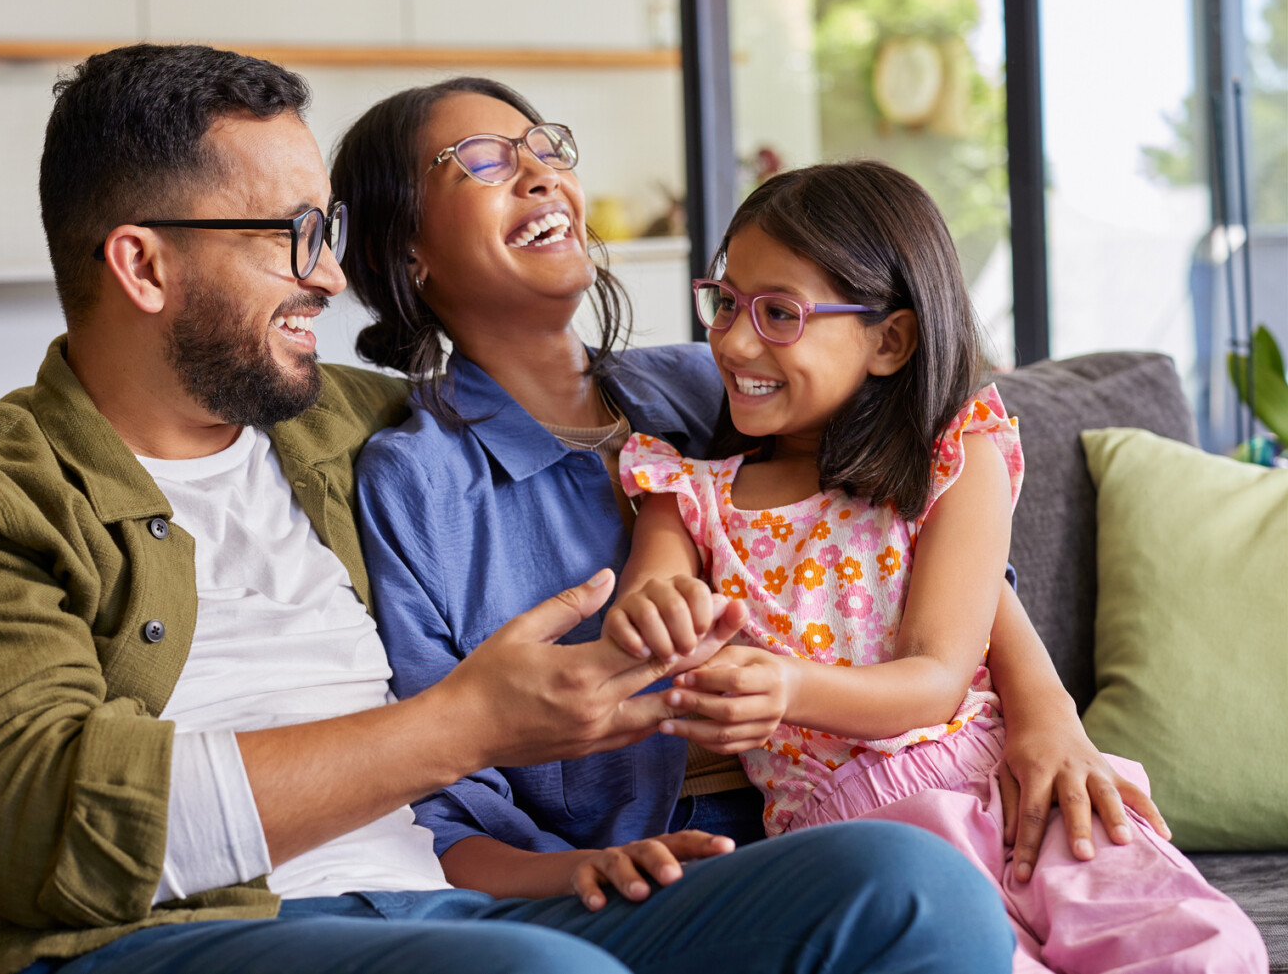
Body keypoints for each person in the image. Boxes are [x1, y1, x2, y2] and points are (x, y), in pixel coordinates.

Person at [0, 44, 1014, 974]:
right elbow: (43, 828)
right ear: (142, 264)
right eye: (291, 237)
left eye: (328, 232)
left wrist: (1041, 705)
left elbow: (895, 487)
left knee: (911, 887)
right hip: (165, 935)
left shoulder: (354, 424)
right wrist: (467, 723)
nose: (331, 275)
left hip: (459, 910)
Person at [336, 77, 1172, 912]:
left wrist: (1047, 710)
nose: (542, 173)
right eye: (482, 162)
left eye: (547, 147)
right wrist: (573, 872)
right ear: (406, 251)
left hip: (912, 779)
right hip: (678, 860)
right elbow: (433, 791)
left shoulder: (719, 379)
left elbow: (925, 536)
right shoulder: (419, 480)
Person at [610, 160, 1266, 971]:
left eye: (780, 313)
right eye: (726, 302)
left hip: (1008, 786)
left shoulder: (954, 461)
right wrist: (653, 616)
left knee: (1199, 947)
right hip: (853, 844)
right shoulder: (689, 493)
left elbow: (937, 676)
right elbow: (650, 597)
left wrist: (788, 687)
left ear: (890, 339)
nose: (736, 340)